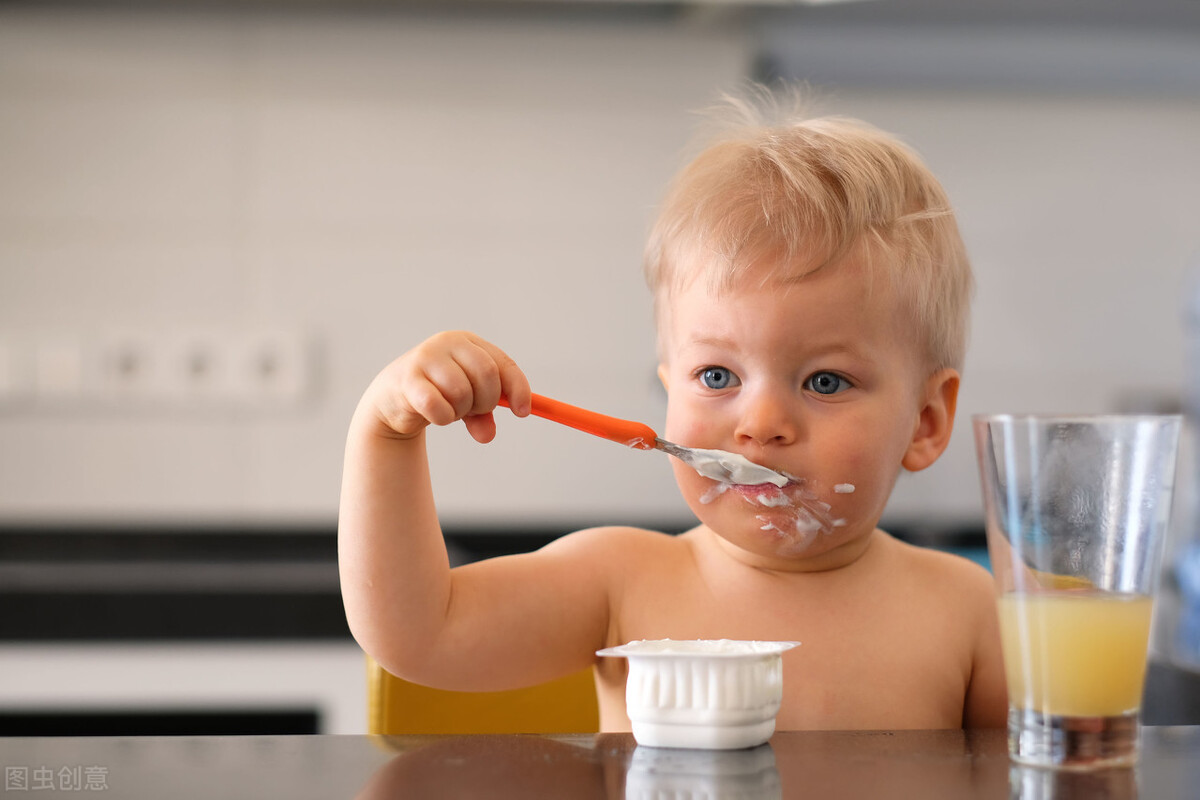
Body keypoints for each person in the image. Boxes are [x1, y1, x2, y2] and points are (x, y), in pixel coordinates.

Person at [338, 89, 1008, 731]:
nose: (760, 423)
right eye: (717, 375)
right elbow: (417, 634)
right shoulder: (618, 584)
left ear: (925, 422)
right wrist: (386, 435)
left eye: (826, 382)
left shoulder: (972, 613)